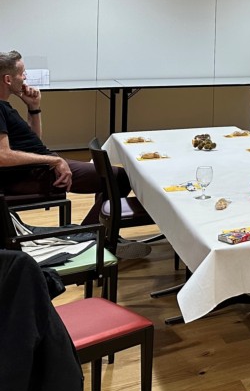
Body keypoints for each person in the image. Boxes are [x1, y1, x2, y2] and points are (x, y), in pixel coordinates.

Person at [0, 51, 148, 257]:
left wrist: (34, 108)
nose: (25, 77)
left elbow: (33, 143)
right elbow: (3, 156)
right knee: (118, 178)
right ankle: (91, 238)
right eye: (22, 73)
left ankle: (97, 234)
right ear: (8, 79)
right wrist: (54, 161)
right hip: (32, 174)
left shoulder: (5, 106)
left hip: (40, 167)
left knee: (113, 177)